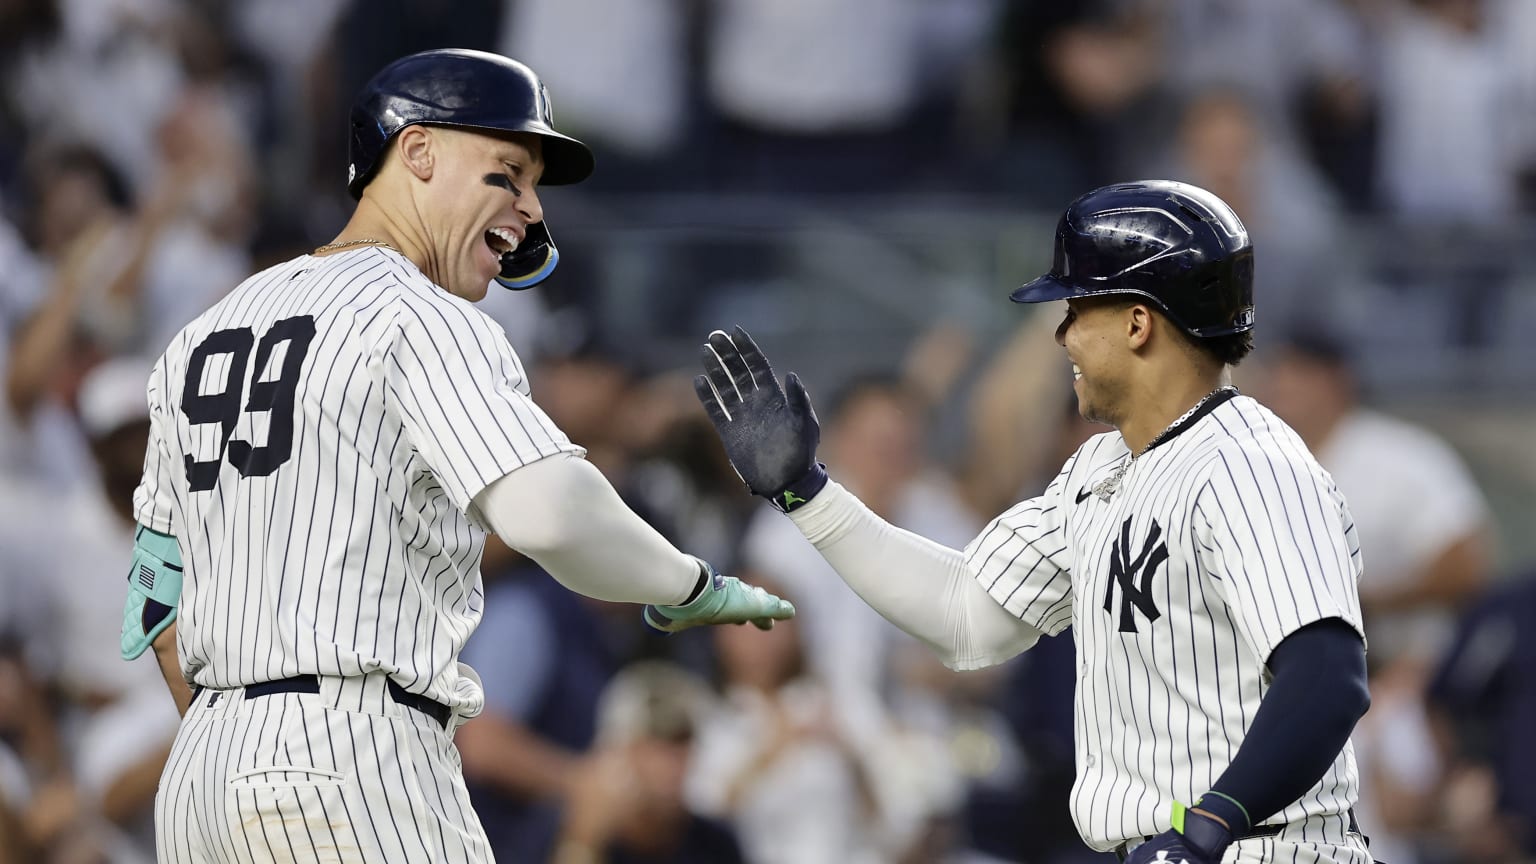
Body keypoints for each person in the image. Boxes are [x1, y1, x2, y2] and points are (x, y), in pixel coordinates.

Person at [118, 48, 792, 864]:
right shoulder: (418, 313)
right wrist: (693, 585)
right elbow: (549, 511)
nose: (532, 208)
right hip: (354, 754)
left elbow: (157, 606)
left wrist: (248, 744)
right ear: (418, 151)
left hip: (202, 775)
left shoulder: (198, 337)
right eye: (507, 172)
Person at [695, 180, 1374, 864]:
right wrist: (806, 492)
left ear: (1138, 324)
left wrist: (1208, 825)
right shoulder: (1098, 473)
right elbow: (965, 614)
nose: (1063, 335)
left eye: (1078, 309)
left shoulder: (1249, 463)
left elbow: (1326, 674)